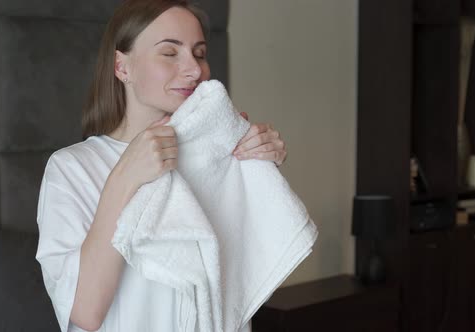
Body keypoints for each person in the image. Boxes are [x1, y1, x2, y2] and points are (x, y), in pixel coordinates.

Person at [36, 0, 288, 331]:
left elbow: (247, 270)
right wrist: (126, 176)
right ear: (122, 67)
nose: (195, 69)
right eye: (170, 53)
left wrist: (261, 173)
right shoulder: (71, 170)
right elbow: (84, 311)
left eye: (199, 53)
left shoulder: (215, 158)